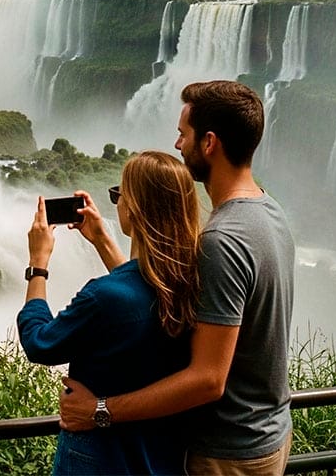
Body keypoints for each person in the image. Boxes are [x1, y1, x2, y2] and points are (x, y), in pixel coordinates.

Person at [59, 80, 296, 475]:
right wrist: (102, 240)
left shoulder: (221, 242)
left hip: (226, 454)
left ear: (209, 143)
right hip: (267, 434)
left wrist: (99, 411)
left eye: (184, 134)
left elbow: (208, 380)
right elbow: (159, 297)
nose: (177, 144)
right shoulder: (269, 211)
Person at [17, 150, 201, 475]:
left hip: (100, 460)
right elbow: (140, 290)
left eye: (119, 194)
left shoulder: (103, 297)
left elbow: (39, 343)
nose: (117, 202)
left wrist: (38, 264)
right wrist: (102, 239)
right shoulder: (192, 283)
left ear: (135, 208)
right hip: (161, 460)